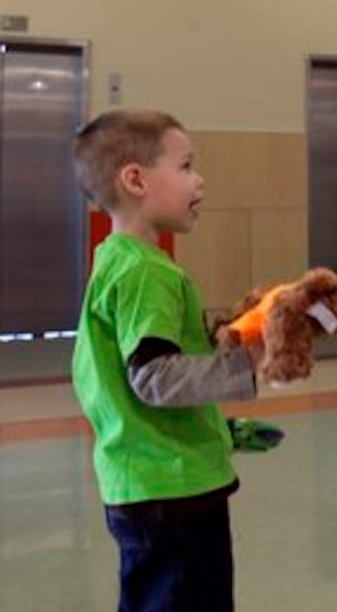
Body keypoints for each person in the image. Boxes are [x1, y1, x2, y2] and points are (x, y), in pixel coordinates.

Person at [71, 109, 261, 612]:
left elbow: (160, 355)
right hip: (172, 491)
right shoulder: (145, 272)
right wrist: (248, 363)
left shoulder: (117, 259)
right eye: (185, 166)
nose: (199, 180)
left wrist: (219, 338)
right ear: (135, 179)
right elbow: (154, 376)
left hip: (146, 481)